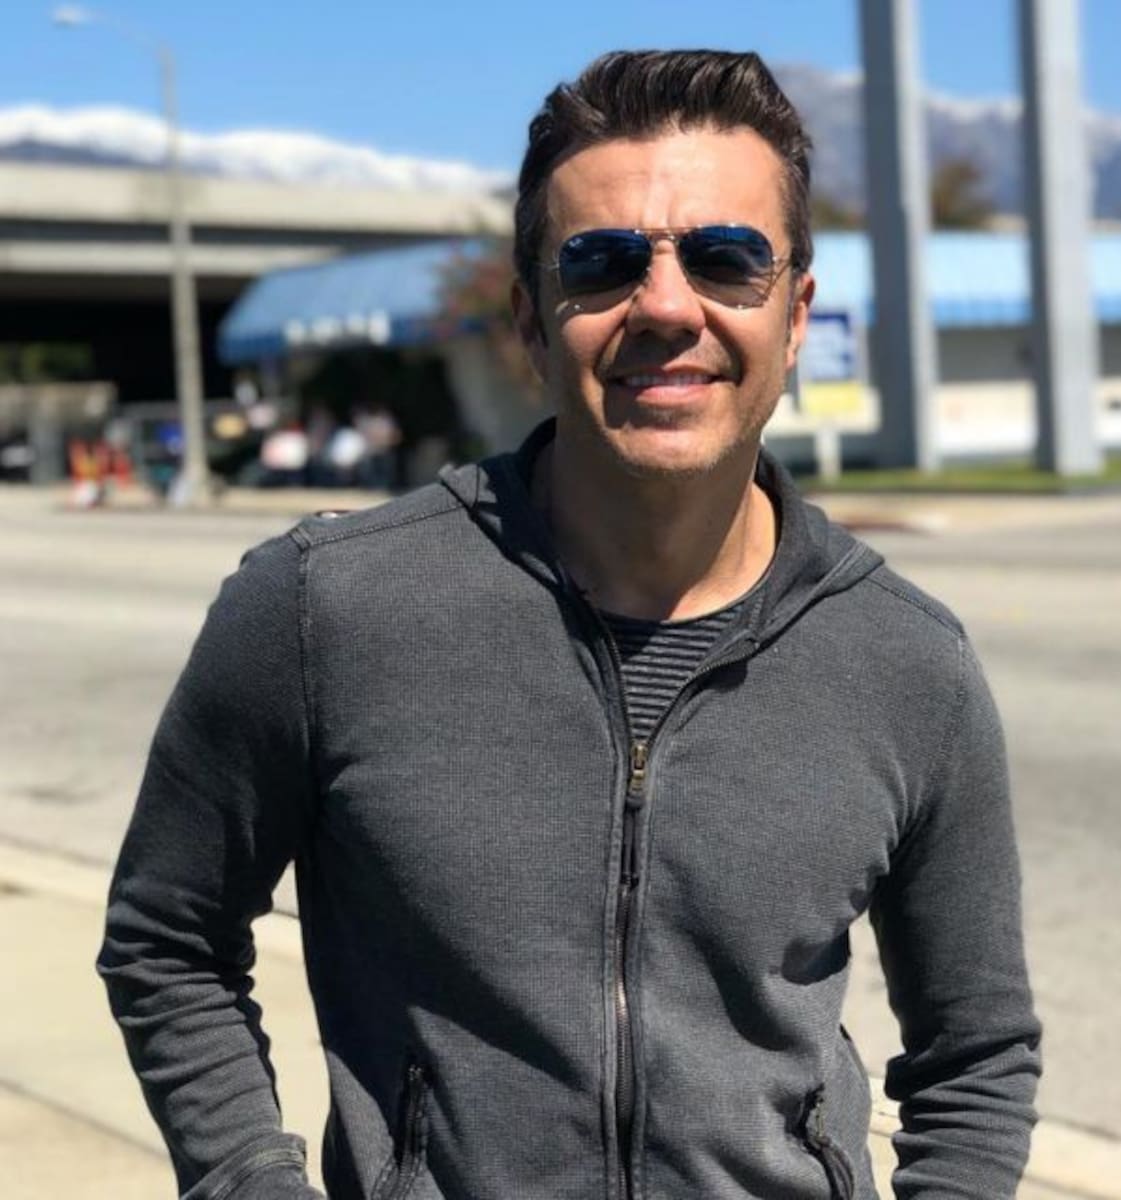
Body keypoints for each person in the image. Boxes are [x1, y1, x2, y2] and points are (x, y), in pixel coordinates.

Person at [99, 50, 1040, 1200]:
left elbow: (976, 1051)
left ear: (794, 317)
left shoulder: (907, 661)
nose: (666, 306)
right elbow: (168, 940)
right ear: (532, 322)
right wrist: (250, 1180)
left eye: (726, 258)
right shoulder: (322, 608)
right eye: (602, 263)